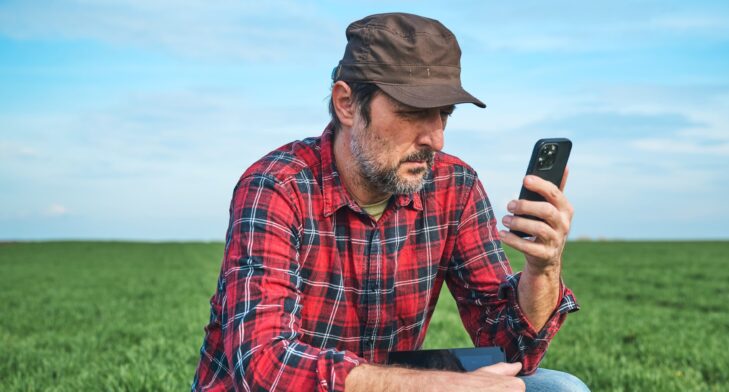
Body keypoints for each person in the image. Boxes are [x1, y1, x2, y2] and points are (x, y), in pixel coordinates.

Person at [192, 12, 588, 392]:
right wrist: (438, 385)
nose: (436, 139)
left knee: (558, 388)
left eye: (443, 114)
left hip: (385, 385)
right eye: (412, 112)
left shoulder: (455, 185)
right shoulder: (277, 186)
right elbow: (265, 366)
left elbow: (512, 351)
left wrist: (542, 269)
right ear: (347, 104)